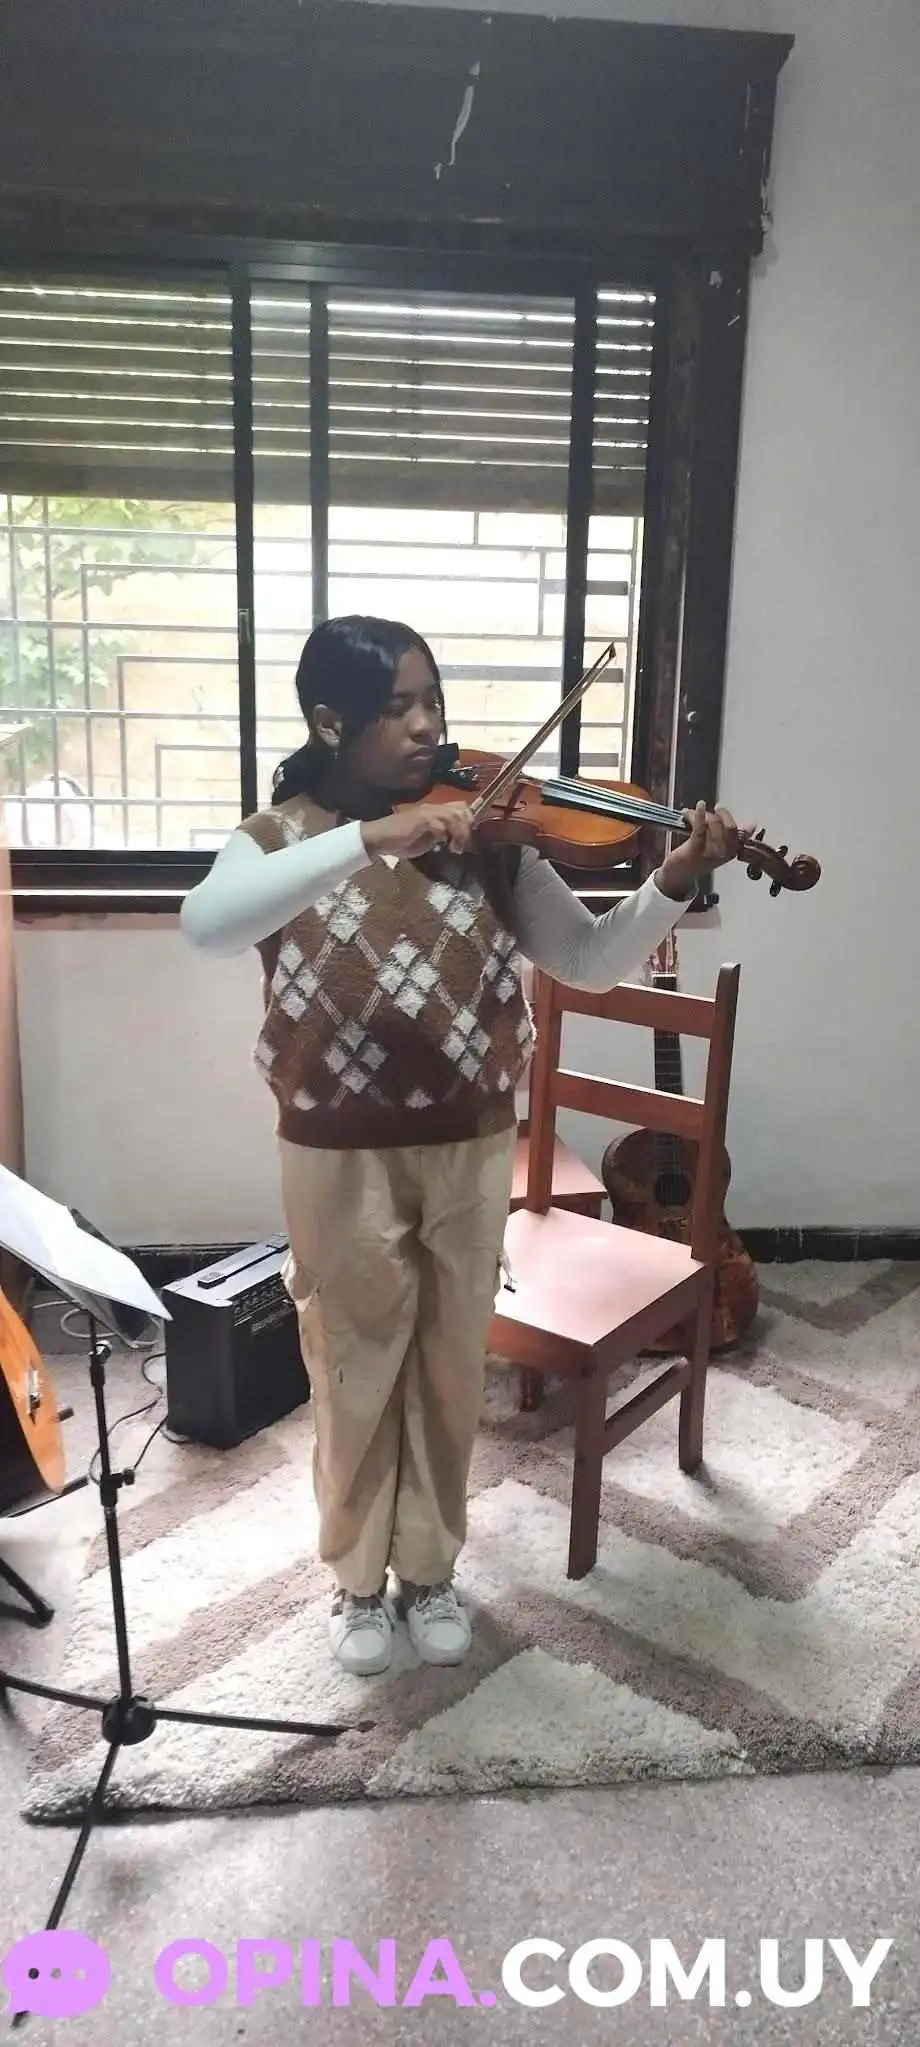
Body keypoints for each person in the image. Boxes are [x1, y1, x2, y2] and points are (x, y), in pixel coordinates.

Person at [181, 616, 744, 1678]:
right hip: (335, 1153)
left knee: (446, 1367)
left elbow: (586, 958)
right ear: (329, 720)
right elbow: (207, 923)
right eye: (398, 705)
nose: (426, 725)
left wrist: (672, 874)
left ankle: (429, 1569)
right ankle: (356, 1583)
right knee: (352, 1364)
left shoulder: (488, 834)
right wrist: (371, 840)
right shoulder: (279, 837)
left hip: (473, 1143)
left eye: (431, 700)